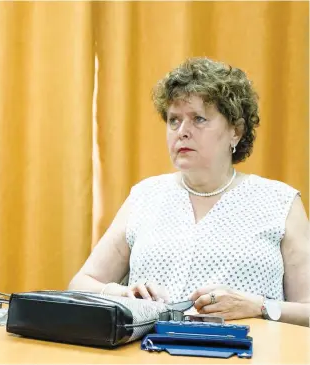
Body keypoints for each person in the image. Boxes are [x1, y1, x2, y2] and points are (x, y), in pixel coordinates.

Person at [69, 57, 309, 327]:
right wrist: (125, 294)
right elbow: (80, 284)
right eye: (174, 120)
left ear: (236, 131)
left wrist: (259, 306)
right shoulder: (145, 196)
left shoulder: (279, 202)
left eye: (199, 119)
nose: (182, 132)